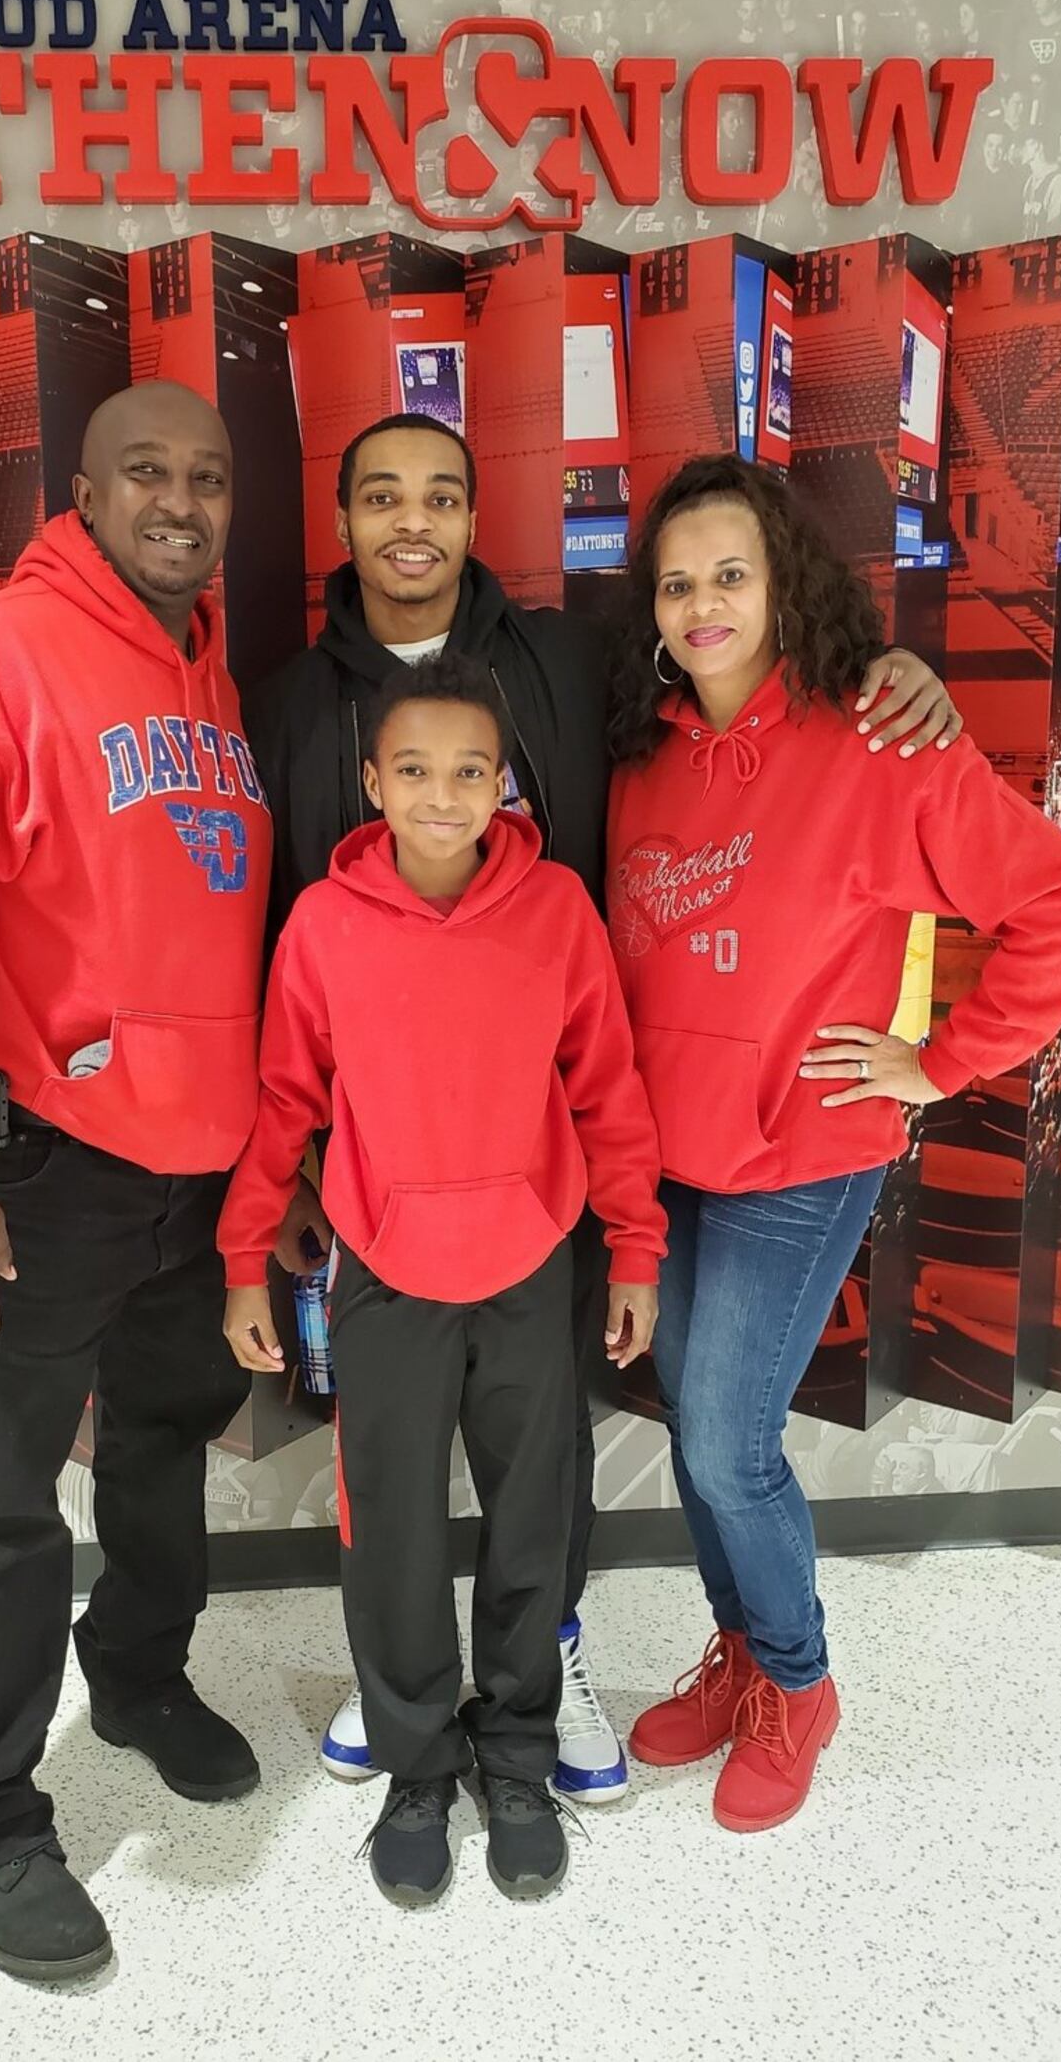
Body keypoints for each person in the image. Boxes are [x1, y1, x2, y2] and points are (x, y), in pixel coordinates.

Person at [245, 411, 963, 1801]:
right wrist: (277, 1175)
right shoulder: (283, 703)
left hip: (558, 1151)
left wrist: (890, 673)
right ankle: (395, 1674)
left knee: (546, 1441)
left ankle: (551, 1652)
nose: (414, 520)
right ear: (341, 522)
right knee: (386, 1452)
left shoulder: (574, 660)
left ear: (472, 518)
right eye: (383, 494)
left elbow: (747, 679)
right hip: (379, 1168)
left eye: (443, 494)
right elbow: (278, 952)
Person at [0, 380, 305, 1984]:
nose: (181, 502)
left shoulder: (211, 678)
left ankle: (139, 1674)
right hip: (37, 1178)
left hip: (196, 1179)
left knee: (166, 1454)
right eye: (146, 475)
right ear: (83, 492)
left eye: (208, 477)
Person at [603, 455, 1061, 1833]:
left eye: (731, 574)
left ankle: (799, 1683)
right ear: (650, 608)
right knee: (695, 1427)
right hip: (670, 1160)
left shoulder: (879, 745)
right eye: (679, 581)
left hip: (800, 1152)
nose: (705, 603)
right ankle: (737, 1651)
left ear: (784, 589)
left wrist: (938, 1061)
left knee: (726, 1439)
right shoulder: (640, 760)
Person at [219, 653, 665, 1905]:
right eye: (413, 769)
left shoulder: (558, 911)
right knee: (394, 1537)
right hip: (386, 1276)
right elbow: (281, 1105)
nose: (441, 793)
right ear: (372, 782)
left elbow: (611, 1094)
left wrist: (634, 1245)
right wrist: (243, 1256)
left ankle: (515, 1758)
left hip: (529, 1268)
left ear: (502, 785)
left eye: (470, 770)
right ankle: (418, 1768)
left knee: (531, 1526)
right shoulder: (321, 923)